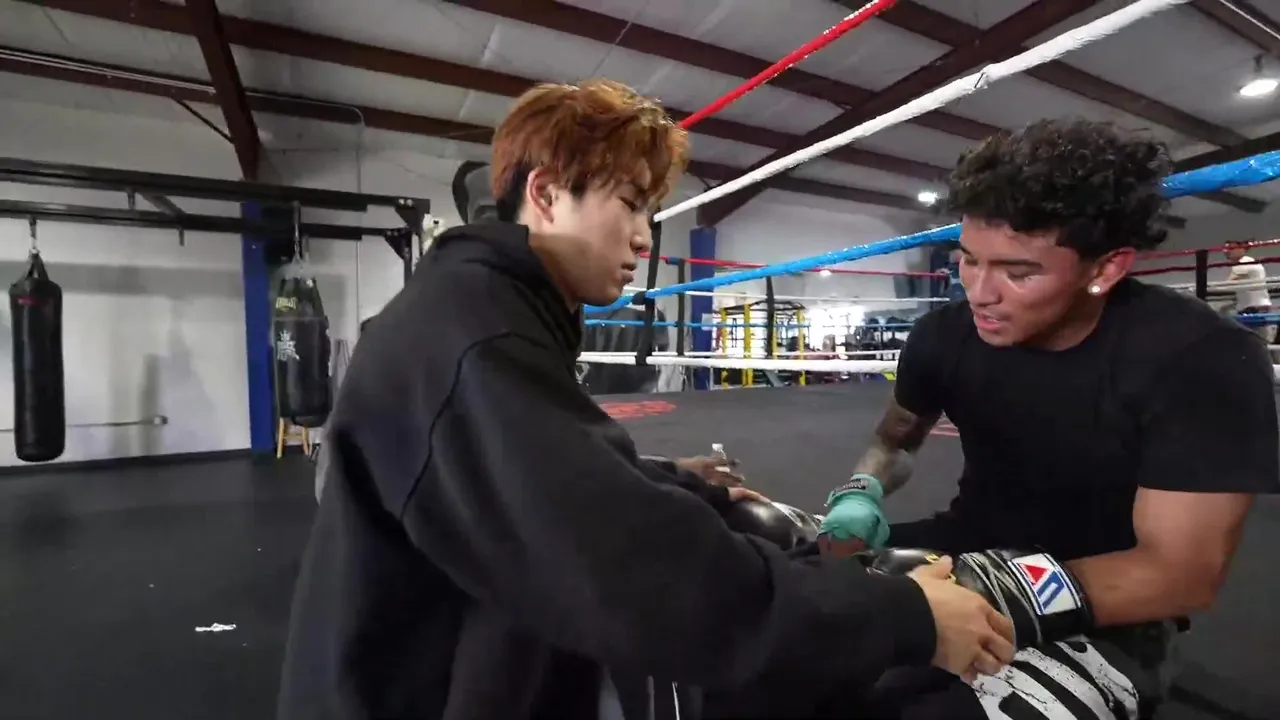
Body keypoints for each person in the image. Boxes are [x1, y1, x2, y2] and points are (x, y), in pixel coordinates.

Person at [277, 78, 1016, 720]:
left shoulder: (484, 313)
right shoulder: (476, 338)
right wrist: (904, 618)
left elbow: (535, 482)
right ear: (544, 195)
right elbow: (639, 573)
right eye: (630, 205)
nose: (642, 239)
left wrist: (664, 479)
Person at [818, 119, 1279, 720]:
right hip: (963, 544)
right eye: (968, 261)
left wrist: (972, 591)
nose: (980, 292)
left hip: (1110, 603)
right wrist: (862, 491)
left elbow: (1179, 574)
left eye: (1018, 273)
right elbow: (895, 441)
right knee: (770, 603)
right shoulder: (943, 336)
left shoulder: (1200, 357)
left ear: (1105, 269)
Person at [1223, 239, 1276, 346]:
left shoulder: (1244, 262)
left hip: (1253, 309)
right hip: (1259, 307)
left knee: (1254, 344)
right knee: (1260, 344)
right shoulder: (1250, 261)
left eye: (1230, 248)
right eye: (1225, 248)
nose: (1226, 251)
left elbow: (1227, 285)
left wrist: (1206, 287)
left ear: (1241, 249)